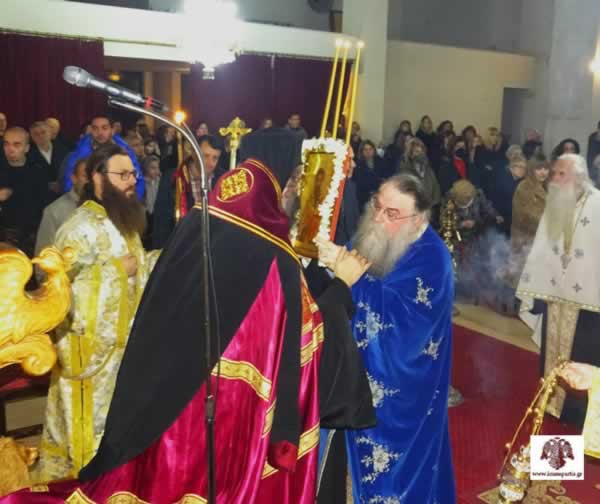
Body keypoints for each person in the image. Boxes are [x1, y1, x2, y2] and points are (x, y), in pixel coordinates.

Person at [1, 128, 373, 503]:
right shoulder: (273, 253)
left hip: (170, 398)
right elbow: (306, 338)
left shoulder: (205, 220)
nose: (295, 189)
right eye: (293, 179)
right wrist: (341, 286)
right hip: (227, 413)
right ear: (280, 180)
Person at [317, 174, 456, 503]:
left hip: (403, 393)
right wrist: (329, 264)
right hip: (355, 377)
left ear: (418, 218)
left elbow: (403, 330)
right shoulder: (372, 234)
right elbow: (349, 269)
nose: (378, 218)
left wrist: (350, 277)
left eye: (391, 213)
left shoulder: (434, 260)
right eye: (377, 205)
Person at [32, 145, 160, 482]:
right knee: (90, 441)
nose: (131, 181)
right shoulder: (77, 228)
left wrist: (164, 259)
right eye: (123, 174)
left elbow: (137, 271)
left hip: (124, 352)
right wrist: (116, 271)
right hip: (89, 357)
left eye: (133, 174)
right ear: (97, 178)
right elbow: (59, 291)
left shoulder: (124, 222)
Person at [517, 154, 600, 426]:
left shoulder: (598, 206)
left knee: (583, 355)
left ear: (579, 177)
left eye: (561, 174)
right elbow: (542, 249)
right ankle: (550, 402)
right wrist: (537, 285)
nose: (554, 179)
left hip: (588, 303)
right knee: (552, 352)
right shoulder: (554, 206)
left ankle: (577, 414)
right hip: (555, 297)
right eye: (554, 173)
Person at [152, 134, 224, 249]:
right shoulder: (173, 178)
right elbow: (161, 221)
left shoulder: (222, 178)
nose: (210, 163)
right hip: (180, 245)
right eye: (205, 156)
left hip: (212, 246)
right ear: (194, 153)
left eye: (215, 158)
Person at [61, 115, 144, 198]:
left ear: (112, 130)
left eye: (104, 128)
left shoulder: (125, 150)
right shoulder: (80, 153)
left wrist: (132, 201)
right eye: (95, 128)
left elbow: (138, 178)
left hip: (119, 200)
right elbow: (70, 180)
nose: (99, 132)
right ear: (91, 130)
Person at [0, 127, 47, 255]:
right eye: (6, 144)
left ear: (26, 148)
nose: (10, 149)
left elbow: (43, 206)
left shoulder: (38, 171)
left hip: (31, 236)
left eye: (16, 145)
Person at [34, 158, 88, 255]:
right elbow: (44, 254)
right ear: (74, 178)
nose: (90, 181)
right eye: (85, 176)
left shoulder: (108, 207)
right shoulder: (54, 211)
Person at [510, 154, 550, 283]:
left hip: (543, 240)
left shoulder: (547, 186)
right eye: (539, 169)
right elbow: (526, 215)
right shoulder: (524, 187)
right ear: (532, 170)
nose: (543, 172)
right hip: (526, 240)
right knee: (525, 280)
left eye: (546, 168)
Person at [29, 120, 70, 197]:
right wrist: (46, 185)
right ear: (32, 137)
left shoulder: (64, 150)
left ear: (50, 133)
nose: (40, 136)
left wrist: (63, 183)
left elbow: (70, 169)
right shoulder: (28, 155)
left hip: (64, 193)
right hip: (40, 195)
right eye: (36, 134)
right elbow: (29, 178)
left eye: (43, 132)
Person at [399, 137, 441, 207]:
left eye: (422, 151)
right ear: (410, 154)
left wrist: (433, 205)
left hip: (428, 207)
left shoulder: (429, 170)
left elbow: (436, 189)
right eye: (416, 152)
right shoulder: (405, 170)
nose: (420, 154)